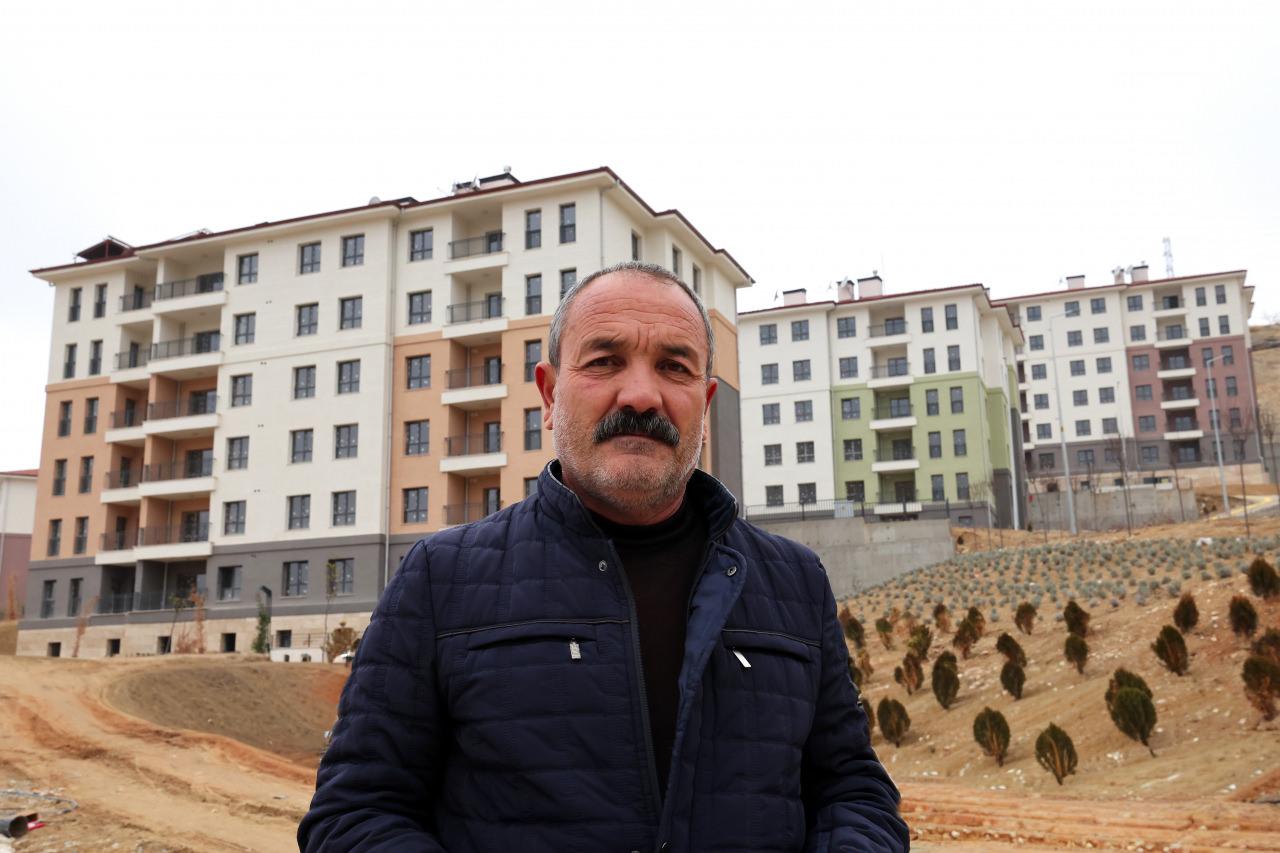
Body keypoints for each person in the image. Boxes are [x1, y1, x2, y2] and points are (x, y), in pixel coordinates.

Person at [298, 261, 908, 852]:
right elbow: (356, 814)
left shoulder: (794, 581)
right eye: (604, 362)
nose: (641, 395)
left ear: (705, 403)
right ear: (549, 393)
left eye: (674, 367)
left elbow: (852, 791)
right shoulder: (441, 578)